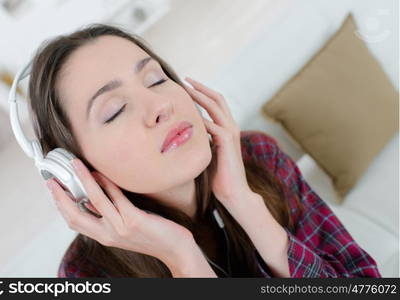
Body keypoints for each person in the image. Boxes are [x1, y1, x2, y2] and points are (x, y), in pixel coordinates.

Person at [27, 24, 381, 278]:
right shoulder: (86, 274)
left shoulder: (256, 156)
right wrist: (182, 259)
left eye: (156, 79)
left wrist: (244, 202)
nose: (160, 105)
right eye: (114, 110)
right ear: (75, 169)